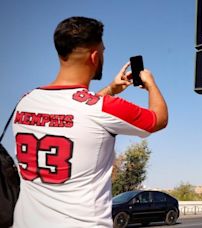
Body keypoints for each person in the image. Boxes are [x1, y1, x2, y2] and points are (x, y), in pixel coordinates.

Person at [11, 16, 168, 227]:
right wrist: (151, 84)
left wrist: (111, 89)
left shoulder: (25, 101)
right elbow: (158, 119)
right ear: (94, 56)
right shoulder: (105, 108)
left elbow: (76, 111)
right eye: (103, 50)